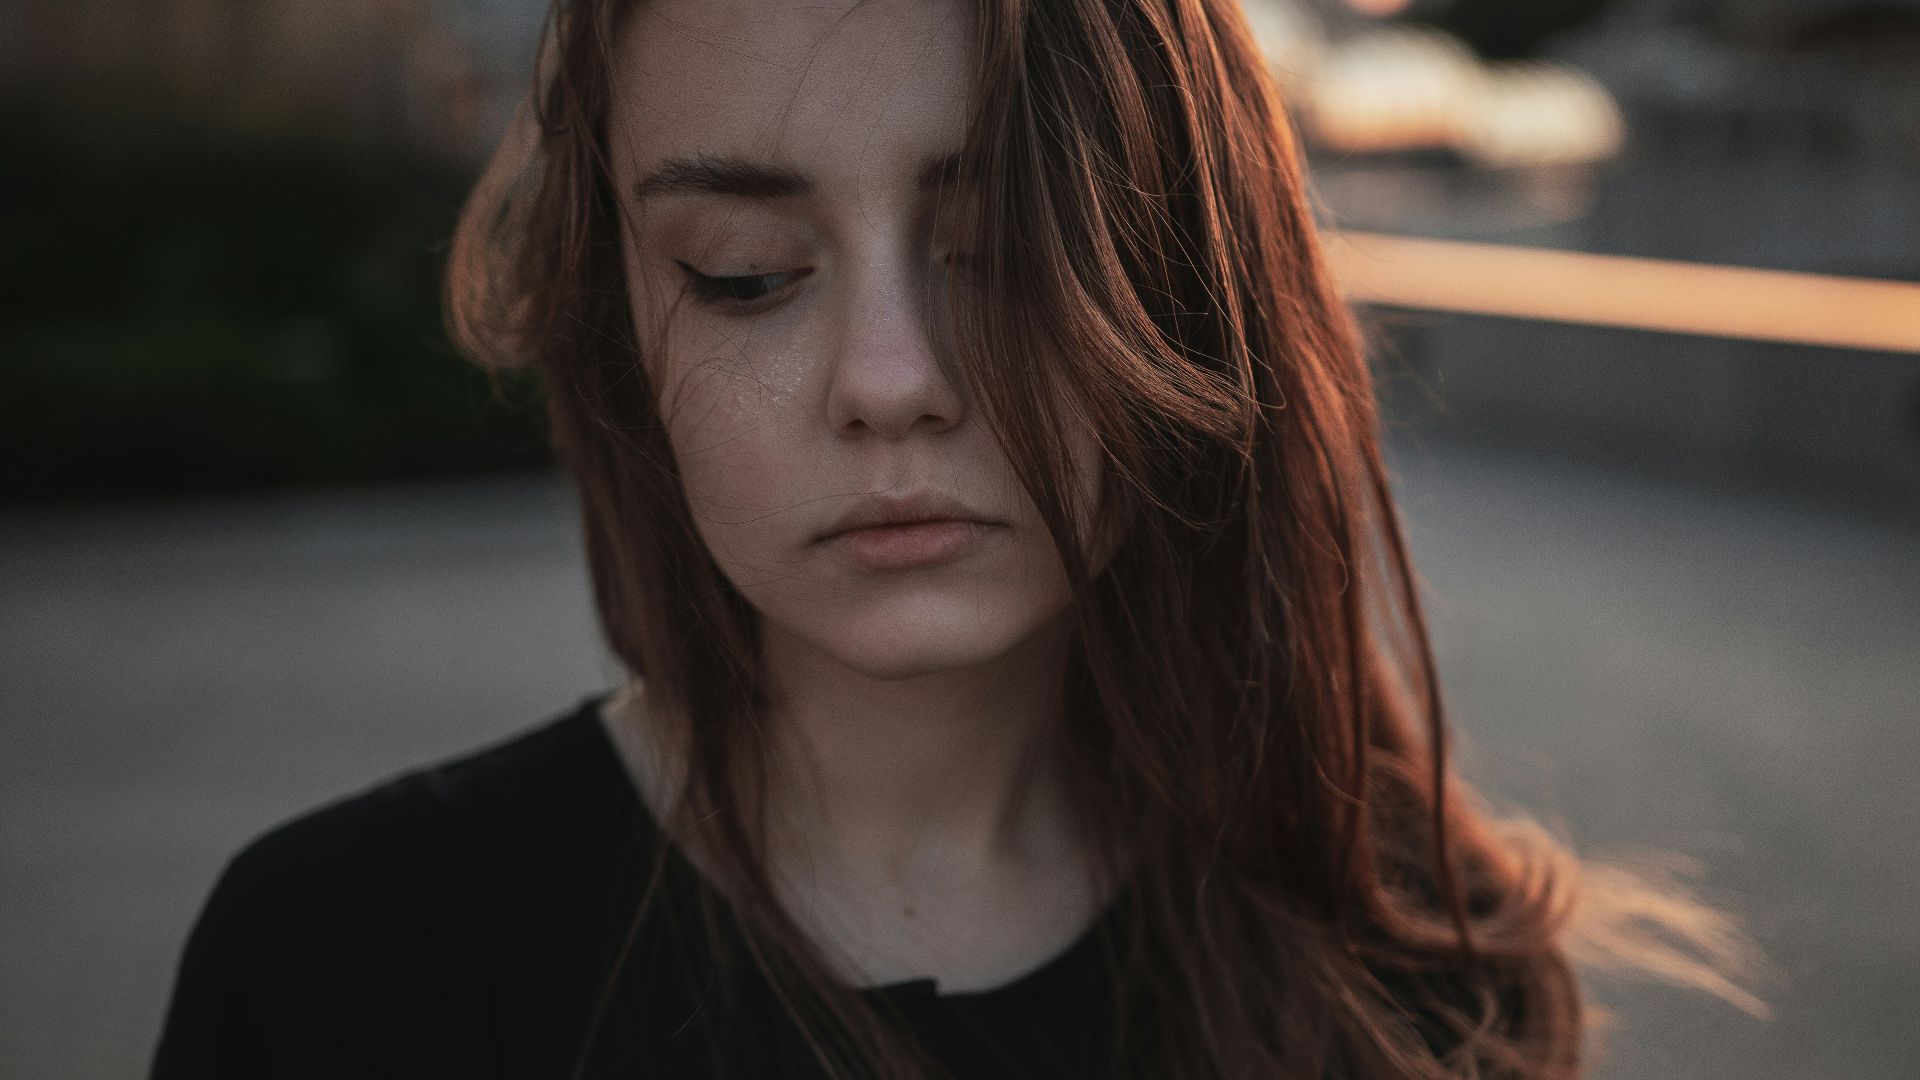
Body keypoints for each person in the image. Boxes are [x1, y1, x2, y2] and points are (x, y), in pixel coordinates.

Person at [150, 0, 1762, 1076]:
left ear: (1186, 284)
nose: (890, 383)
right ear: (622, 326)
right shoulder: (349, 972)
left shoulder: (1418, 989)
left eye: (999, 248)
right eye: (745, 272)